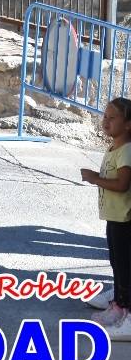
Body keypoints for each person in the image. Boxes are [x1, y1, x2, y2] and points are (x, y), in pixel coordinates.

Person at [80, 98, 131, 340]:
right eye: (105, 117)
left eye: (113, 118)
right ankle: (119, 305)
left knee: (125, 266)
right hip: (114, 218)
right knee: (117, 262)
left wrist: (94, 178)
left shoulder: (127, 151)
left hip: (125, 220)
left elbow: (122, 185)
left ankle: (127, 312)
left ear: (128, 124)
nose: (106, 122)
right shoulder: (114, 148)